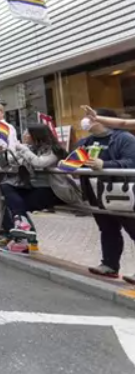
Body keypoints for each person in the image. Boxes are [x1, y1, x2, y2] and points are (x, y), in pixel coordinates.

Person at [71, 109, 135, 283]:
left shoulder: (124, 139)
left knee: (132, 227)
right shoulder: (86, 142)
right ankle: (109, 265)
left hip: (121, 191)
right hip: (95, 192)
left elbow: (131, 161)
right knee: (107, 228)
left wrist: (104, 164)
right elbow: (69, 164)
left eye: (90, 118)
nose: (85, 121)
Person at [0, 124, 69, 255]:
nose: (24, 135)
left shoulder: (54, 149)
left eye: (27, 133)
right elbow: (11, 163)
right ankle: (23, 231)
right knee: (6, 186)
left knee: (15, 205)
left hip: (52, 190)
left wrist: (23, 149)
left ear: (36, 135)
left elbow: (39, 163)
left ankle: (23, 238)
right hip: (33, 188)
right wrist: (5, 152)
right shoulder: (31, 148)